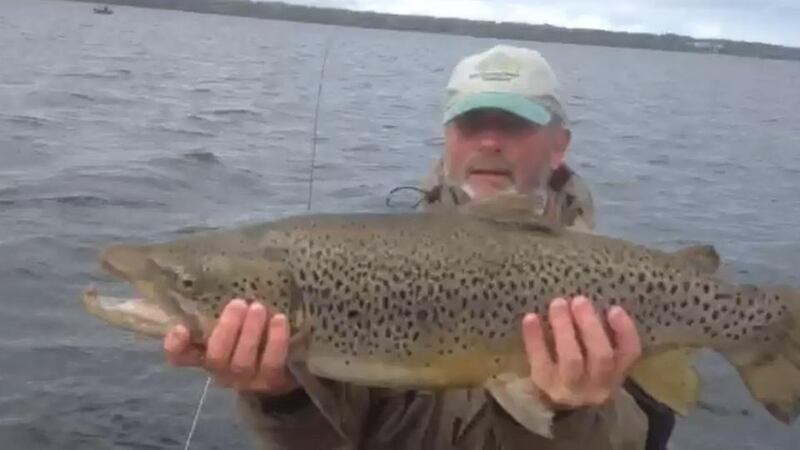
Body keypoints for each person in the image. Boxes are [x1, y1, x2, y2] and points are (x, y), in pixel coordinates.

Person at [163, 44, 673, 449]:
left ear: (559, 146)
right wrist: (280, 394)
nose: (489, 142)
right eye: (472, 124)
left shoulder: (627, 288)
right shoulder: (370, 266)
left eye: (514, 125)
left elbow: (641, 438)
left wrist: (566, 414)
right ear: (447, 137)